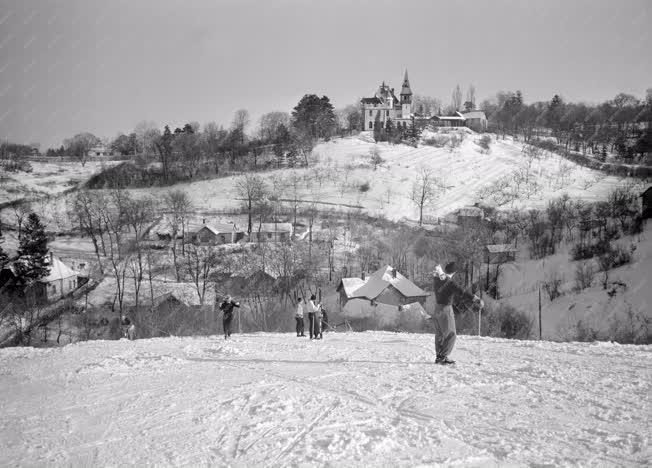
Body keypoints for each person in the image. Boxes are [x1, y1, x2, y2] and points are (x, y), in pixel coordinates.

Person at [432, 262, 483, 365]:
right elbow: (462, 292)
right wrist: (476, 298)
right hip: (445, 309)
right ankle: (443, 357)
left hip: (437, 308)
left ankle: (439, 356)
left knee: (440, 333)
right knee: (451, 334)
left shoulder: (437, 279)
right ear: (454, 272)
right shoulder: (449, 282)